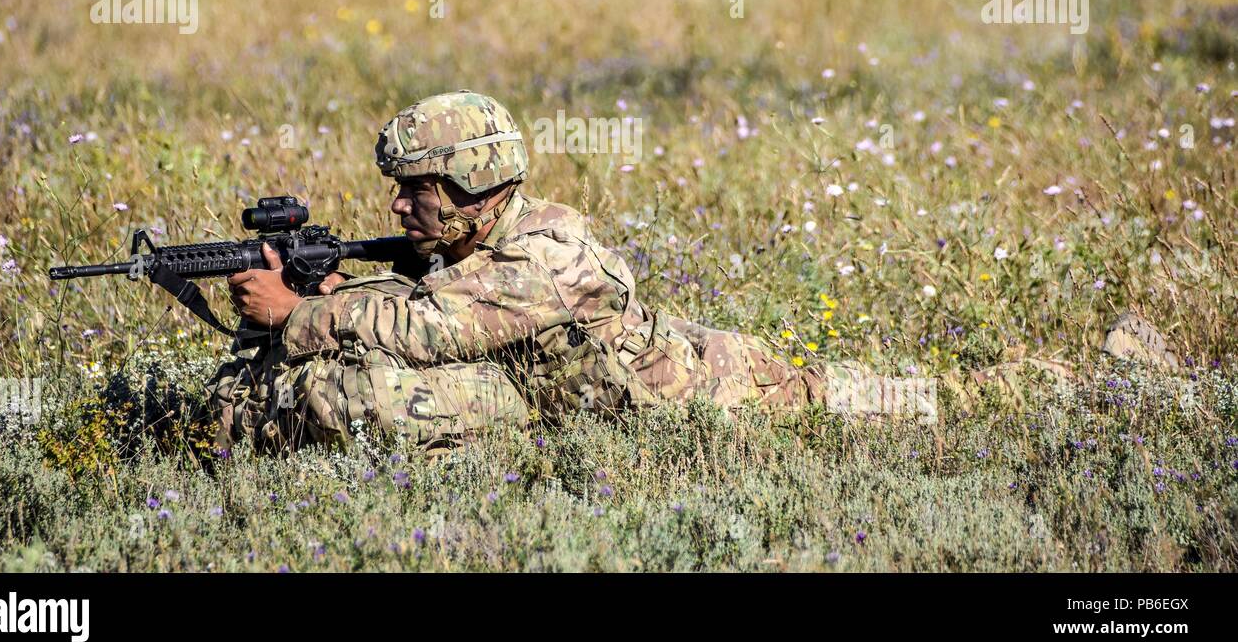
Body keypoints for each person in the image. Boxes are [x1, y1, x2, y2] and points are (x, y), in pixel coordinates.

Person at [202, 90, 827, 453]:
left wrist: (296, 312)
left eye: (414, 190)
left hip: (727, 388)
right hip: (575, 397)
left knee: (886, 403)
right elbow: (430, 299)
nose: (397, 205)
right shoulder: (467, 238)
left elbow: (432, 329)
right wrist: (333, 286)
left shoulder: (544, 254)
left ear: (469, 185)